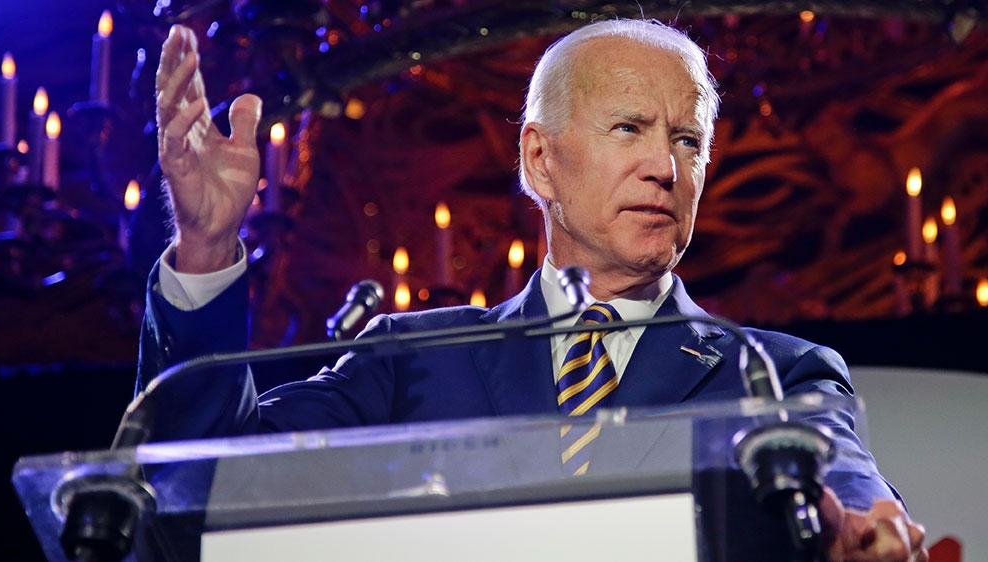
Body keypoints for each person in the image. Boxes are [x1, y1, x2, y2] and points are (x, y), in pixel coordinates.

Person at [146, 20, 927, 562]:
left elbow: (850, 486)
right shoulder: (412, 360)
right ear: (540, 160)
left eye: (687, 141)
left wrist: (865, 529)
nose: (666, 166)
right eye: (630, 128)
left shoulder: (775, 375)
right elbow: (209, 488)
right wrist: (207, 248)